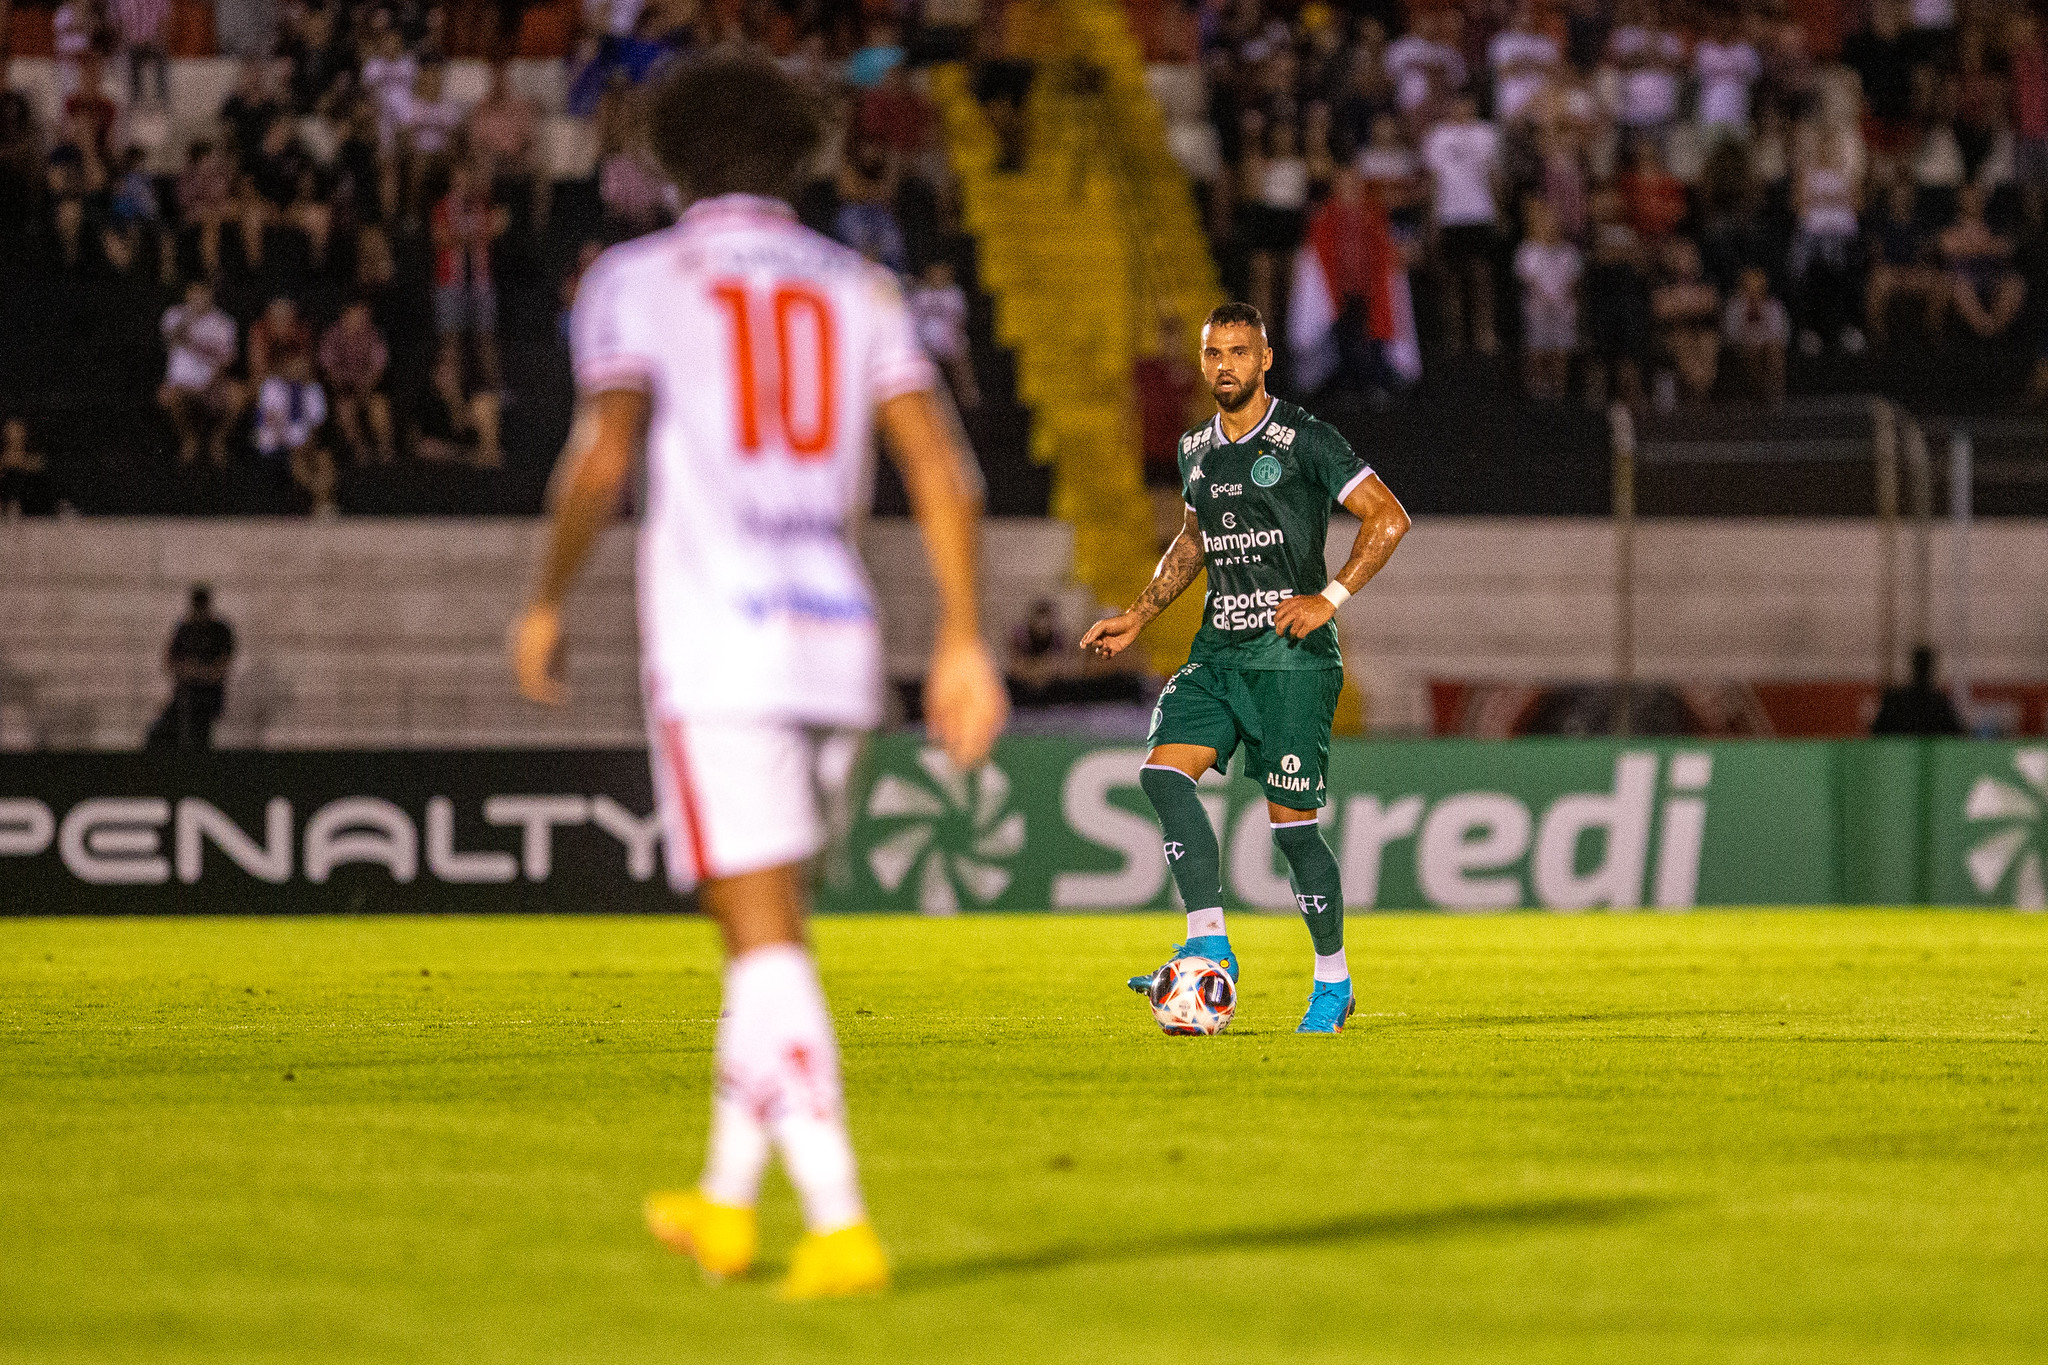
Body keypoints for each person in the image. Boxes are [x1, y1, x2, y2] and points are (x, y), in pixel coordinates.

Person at [508, 54, 1006, 1299]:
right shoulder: (859, 285)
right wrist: (958, 638)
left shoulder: (634, 277)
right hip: (839, 639)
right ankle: (727, 1202)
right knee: (763, 929)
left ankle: (838, 1224)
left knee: (762, 934)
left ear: (667, 163)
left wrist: (546, 597)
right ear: (806, 159)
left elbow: (600, 457)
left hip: (717, 641)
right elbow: (946, 473)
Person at [1079, 302, 1410, 1033]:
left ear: (1266, 361)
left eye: (1239, 351)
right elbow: (1192, 540)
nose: (1225, 365)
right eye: (1213, 353)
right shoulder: (1196, 445)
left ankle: (1333, 979)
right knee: (1163, 774)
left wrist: (1329, 597)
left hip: (1290, 662)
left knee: (1293, 830)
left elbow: (1388, 517)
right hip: (1220, 654)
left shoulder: (1306, 440)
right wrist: (1140, 613)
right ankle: (1210, 940)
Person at [158, 280, 245, 466]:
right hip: (182, 384)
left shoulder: (224, 321)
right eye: (194, 293)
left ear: (210, 295)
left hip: (213, 384)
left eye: (203, 293)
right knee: (168, 396)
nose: (198, 298)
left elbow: (227, 360)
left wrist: (210, 385)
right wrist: (190, 317)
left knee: (238, 396)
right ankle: (189, 440)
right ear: (187, 294)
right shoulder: (174, 315)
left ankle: (218, 440)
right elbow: (170, 337)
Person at [149, 584, 235, 749]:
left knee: (200, 737)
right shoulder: (185, 629)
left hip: (208, 696)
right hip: (185, 694)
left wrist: (198, 672)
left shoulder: (219, 630)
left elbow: (221, 666)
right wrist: (190, 670)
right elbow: (169, 662)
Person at [319, 301, 395, 464]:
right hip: (343, 391)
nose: (361, 320)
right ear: (346, 315)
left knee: (379, 406)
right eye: (357, 315)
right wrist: (347, 390)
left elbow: (378, 369)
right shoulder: (332, 335)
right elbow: (329, 370)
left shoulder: (374, 335)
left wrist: (364, 390)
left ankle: (386, 451)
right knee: (345, 409)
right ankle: (360, 451)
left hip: (367, 389)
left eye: (364, 316)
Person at [1871, 645, 1966, 735]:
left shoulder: (1895, 700)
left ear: (1913, 666)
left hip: (1900, 751)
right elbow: (1958, 734)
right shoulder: (1939, 703)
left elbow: (1876, 733)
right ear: (1931, 668)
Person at [0, 418, 57, 516]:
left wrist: (23, 463)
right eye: (11, 432)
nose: (15, 436)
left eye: (18, 432)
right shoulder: (5, 458)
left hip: (32, 512)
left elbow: (43, 467)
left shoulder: (33, 456)